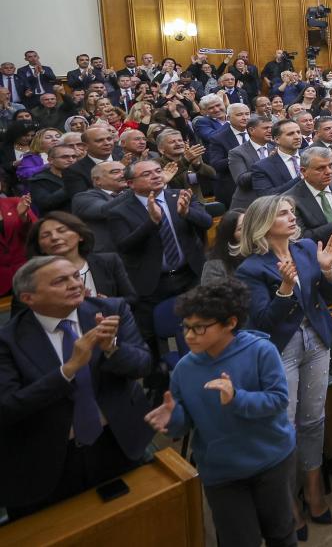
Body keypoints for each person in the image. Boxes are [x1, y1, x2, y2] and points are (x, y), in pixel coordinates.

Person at [144, 279, 297, 547]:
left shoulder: (261, 350)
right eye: (186, 327)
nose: (189, 336)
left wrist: (237, 398)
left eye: (199, 327)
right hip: (223, 472)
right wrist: (173, 418)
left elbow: (278, 399)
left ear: (230, 323)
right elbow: (184, 423)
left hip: (270, 460)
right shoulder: (184, 370)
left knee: (281, 533)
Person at [0, 255, 152, 518]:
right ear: (28, 298)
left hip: (117, 443)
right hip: (47, 461)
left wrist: (112, 349)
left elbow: (143, 365)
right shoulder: (7, 340)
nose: (75, 284)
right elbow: (7, 407)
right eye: (60, 281)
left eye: (74, 276)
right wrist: (67, 370)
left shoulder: (111, 310)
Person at [234, 195, 332, 532]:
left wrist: (328, 271)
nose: (292, 217)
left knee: (313, 419)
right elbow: (263, 322)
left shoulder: (306, 248)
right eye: (283, 214)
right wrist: (284, 289)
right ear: (264, 224)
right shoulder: (250, 268)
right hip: (281, 348)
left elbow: (329, 296)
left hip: (316, 340)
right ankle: (287, 501)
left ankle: (313, 490)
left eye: (292, 212)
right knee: (285, 426)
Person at [107, 160, 212, 342]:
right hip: (152, 284)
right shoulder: (119, 211)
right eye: (147, 174)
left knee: (202, 324)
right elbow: (124, 246)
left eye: (158, 171)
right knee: (152, 336)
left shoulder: (180, 195)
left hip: (189, 276)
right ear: (131, 183)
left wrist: (187, 213)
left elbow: (207, 222)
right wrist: (152, 222)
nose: (156, 176)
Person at [285, 146, 332, 300]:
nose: (328, 171)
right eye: (320, 168)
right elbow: (301, 239)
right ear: (303, 171)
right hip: (328, 272)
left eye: (330, 166)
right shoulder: (291, 199)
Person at [25, 211, 135, 307]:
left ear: (80, 235)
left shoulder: (109, 261)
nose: (54, 237)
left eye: (62, 230)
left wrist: (109, 303)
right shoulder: (34, 276)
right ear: (40, 247)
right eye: (45, 235)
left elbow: (132, 299)